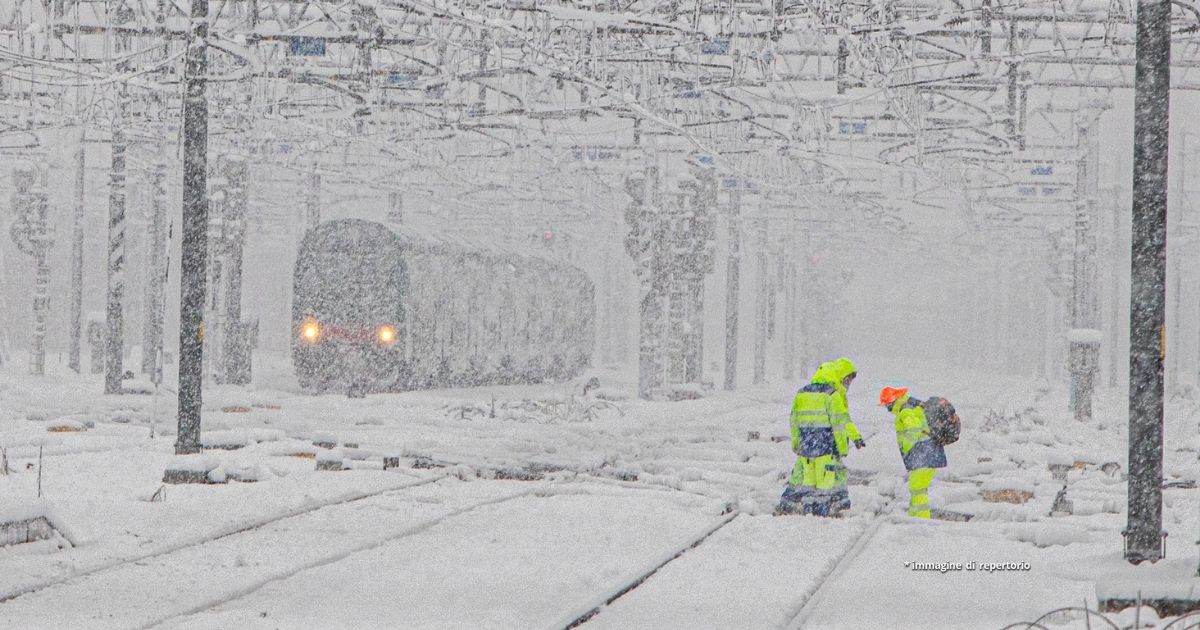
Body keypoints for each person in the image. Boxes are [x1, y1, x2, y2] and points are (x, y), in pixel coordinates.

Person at [776, 358, 859, 516]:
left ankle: (797, 505)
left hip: (807, 444)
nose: (848, 384)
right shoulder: (831, 395)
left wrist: (796, 442)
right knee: (826, 479)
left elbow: (794, 420)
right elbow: (840, 423)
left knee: (806, 478)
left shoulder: (802, 393)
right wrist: (843, 448)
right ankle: (823, 510)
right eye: (847, 380)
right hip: (826, 445)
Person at [879, 386, 947, 518]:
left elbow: (914, 430)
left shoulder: (905, 411)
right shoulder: (911, 407)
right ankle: (914, 515)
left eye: (887, 405)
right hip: (929, 453)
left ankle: (921, 518)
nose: (888, 409)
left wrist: (906, 447)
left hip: (923, 453)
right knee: (917, 488)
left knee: (918, 489)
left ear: (893, 401)